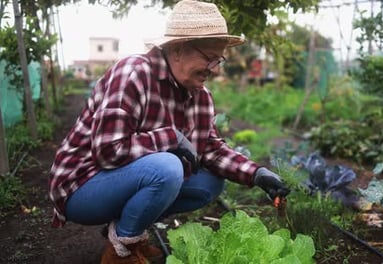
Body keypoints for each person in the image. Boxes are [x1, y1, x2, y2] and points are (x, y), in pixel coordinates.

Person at [48, 0, 290, 263]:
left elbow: (210, 149)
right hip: (82, 186)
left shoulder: (199, 95)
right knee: (167, 167)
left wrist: (257, 174)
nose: (216, 69)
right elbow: (108, 152)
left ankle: (127, 233)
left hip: (123, 181)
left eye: (219, 59)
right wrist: (171, 138)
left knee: (209, 182)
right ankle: (122, 252)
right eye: (209, 58)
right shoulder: (133, 74)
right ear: (177, 49)